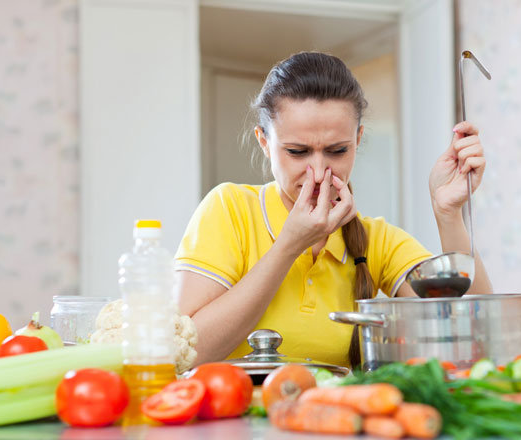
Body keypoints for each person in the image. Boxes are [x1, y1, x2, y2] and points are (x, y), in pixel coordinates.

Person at [175, 52, 492, 368]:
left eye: (337, 151)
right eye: (298, 152)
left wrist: (448, 213)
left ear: (358, 140)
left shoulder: (374, 239)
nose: (318, 171)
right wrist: (290, 245)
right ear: (264, 142)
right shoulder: (230, 210)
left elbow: (474, 335)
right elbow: (186, 355)